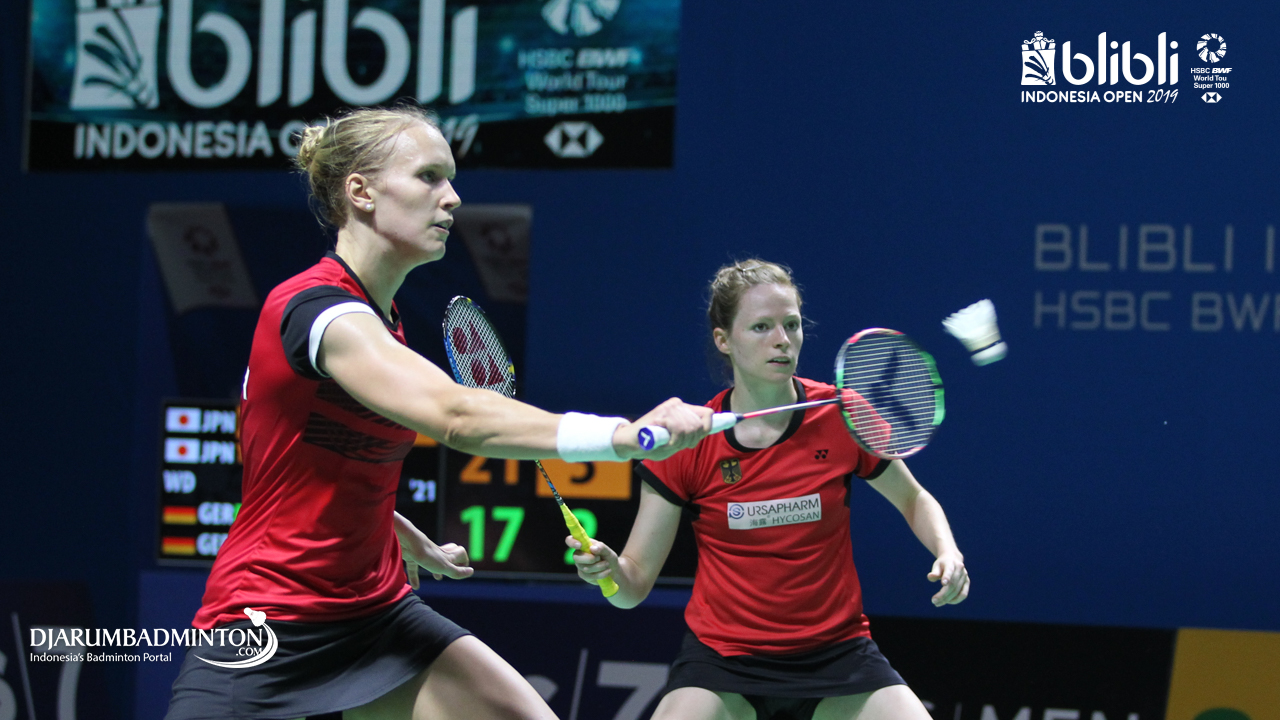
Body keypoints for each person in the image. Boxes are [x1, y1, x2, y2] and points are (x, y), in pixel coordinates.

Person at [165, 104, 712, 720]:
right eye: (429, 177)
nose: (452, 198)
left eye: (450, 179)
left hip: (372, 613)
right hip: (267, 621)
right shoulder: (318, 313)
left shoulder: (384, 326)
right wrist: (623, 436)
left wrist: (392, 530)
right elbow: (457, 416)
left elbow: (311, 463)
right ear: (361, 192)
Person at [569, 259, 970, 720]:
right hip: (724, 662)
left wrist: (947, 550)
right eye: (761, 326)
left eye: (791, 324)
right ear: (724, 340)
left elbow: (913, 498)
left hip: (836, 654)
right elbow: (633, 586)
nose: (782, 339)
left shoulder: (839, 413)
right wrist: (610, 572)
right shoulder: (687, 444)